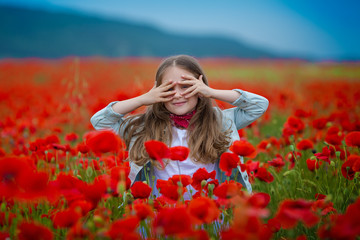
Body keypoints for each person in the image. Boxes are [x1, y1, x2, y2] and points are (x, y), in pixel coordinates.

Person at [90, 55, 269, 198]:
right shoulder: (144, 126)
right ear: (157, 91)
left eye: (186, 86)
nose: (177, 94)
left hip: (211, 217)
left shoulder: (220, 121)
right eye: (168, 88)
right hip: (160, 219)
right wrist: (144, 99)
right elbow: (100, 121)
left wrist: (211, 92)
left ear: (200, 87)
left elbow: (259, 105)